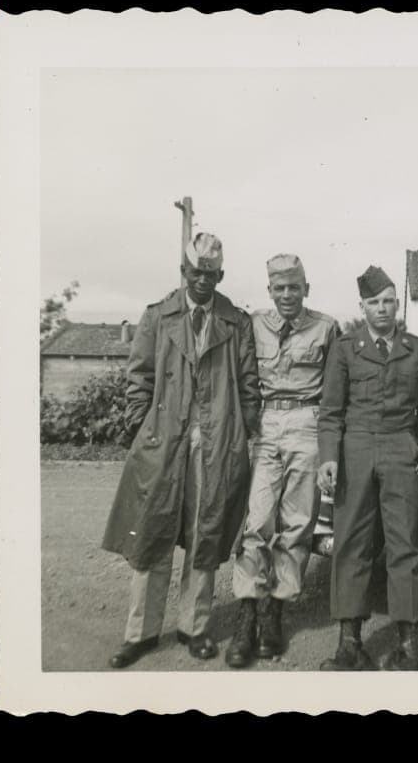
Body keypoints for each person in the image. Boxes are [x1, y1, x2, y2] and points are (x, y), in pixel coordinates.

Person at [102, 232, 260, 668]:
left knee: (203, 533)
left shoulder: (236, 322)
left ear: (221, 275)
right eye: (196, 272)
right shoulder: (157, 317)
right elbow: (139, 378)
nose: (203, 280)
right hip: (163, 443)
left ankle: (196, 627)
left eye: (211, 274)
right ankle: (141, 633)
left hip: (216, 443)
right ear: (183, 272)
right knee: (151, 533)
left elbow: (248, 385)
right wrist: (144, 428)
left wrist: (244, 436)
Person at [317, 266, 418, 671]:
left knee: (406, 542)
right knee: (351, 542)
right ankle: (349, 644)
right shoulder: (345, 348)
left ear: (397, 304)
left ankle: (409, 646)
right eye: (374, 302)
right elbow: (331, 412)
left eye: (389, 301)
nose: (382, 308)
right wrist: (329, 457)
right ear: (363, 307)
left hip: (400, 446)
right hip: (355, 448)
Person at [226, 254, 338, 668]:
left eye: (294, 287)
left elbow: (334, 390)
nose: (287, 295)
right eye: (279, 288)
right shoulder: (255, 325)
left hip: (308, 422)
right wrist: (252, 425)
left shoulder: (326, 328)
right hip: (268, 424)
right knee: (257, 522)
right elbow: (243, 377)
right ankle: (247, 613)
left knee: (296, 525)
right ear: (269, 290)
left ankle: (275, 611)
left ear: (306, 288)